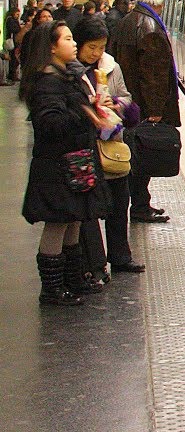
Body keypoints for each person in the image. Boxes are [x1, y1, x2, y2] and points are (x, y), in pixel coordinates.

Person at [19, 21, 115, 305]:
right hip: (57, 165)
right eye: (68, 39)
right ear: (51, 46)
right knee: (57, 223)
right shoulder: (48, 81)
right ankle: (51, 289)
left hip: (73, 162)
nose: (74, 44)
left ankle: (72, 280)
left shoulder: (65, 77)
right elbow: (49, 123)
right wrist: (87, 114)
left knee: (73, 219)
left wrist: (95, 107)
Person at [73, 17, 145, 281]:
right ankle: (94, 262)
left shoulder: (111, 68)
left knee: (119, 203)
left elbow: (130, 104)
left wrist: (116, 104)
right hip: (84, 150)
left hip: (112, 147)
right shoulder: (72, 73)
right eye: (91, 47)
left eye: (101, 47)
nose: (96, 53)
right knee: (90, 210)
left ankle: (120, 256)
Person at [109, 0, 178, 224]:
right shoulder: (150, 28)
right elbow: (154, 74)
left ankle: (140, 203)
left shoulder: (126, 22)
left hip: (127, 102)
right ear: (158, 4)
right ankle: (139, 207)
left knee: (133, 155)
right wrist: (157, 109)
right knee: (142, 157)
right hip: (142, 106)